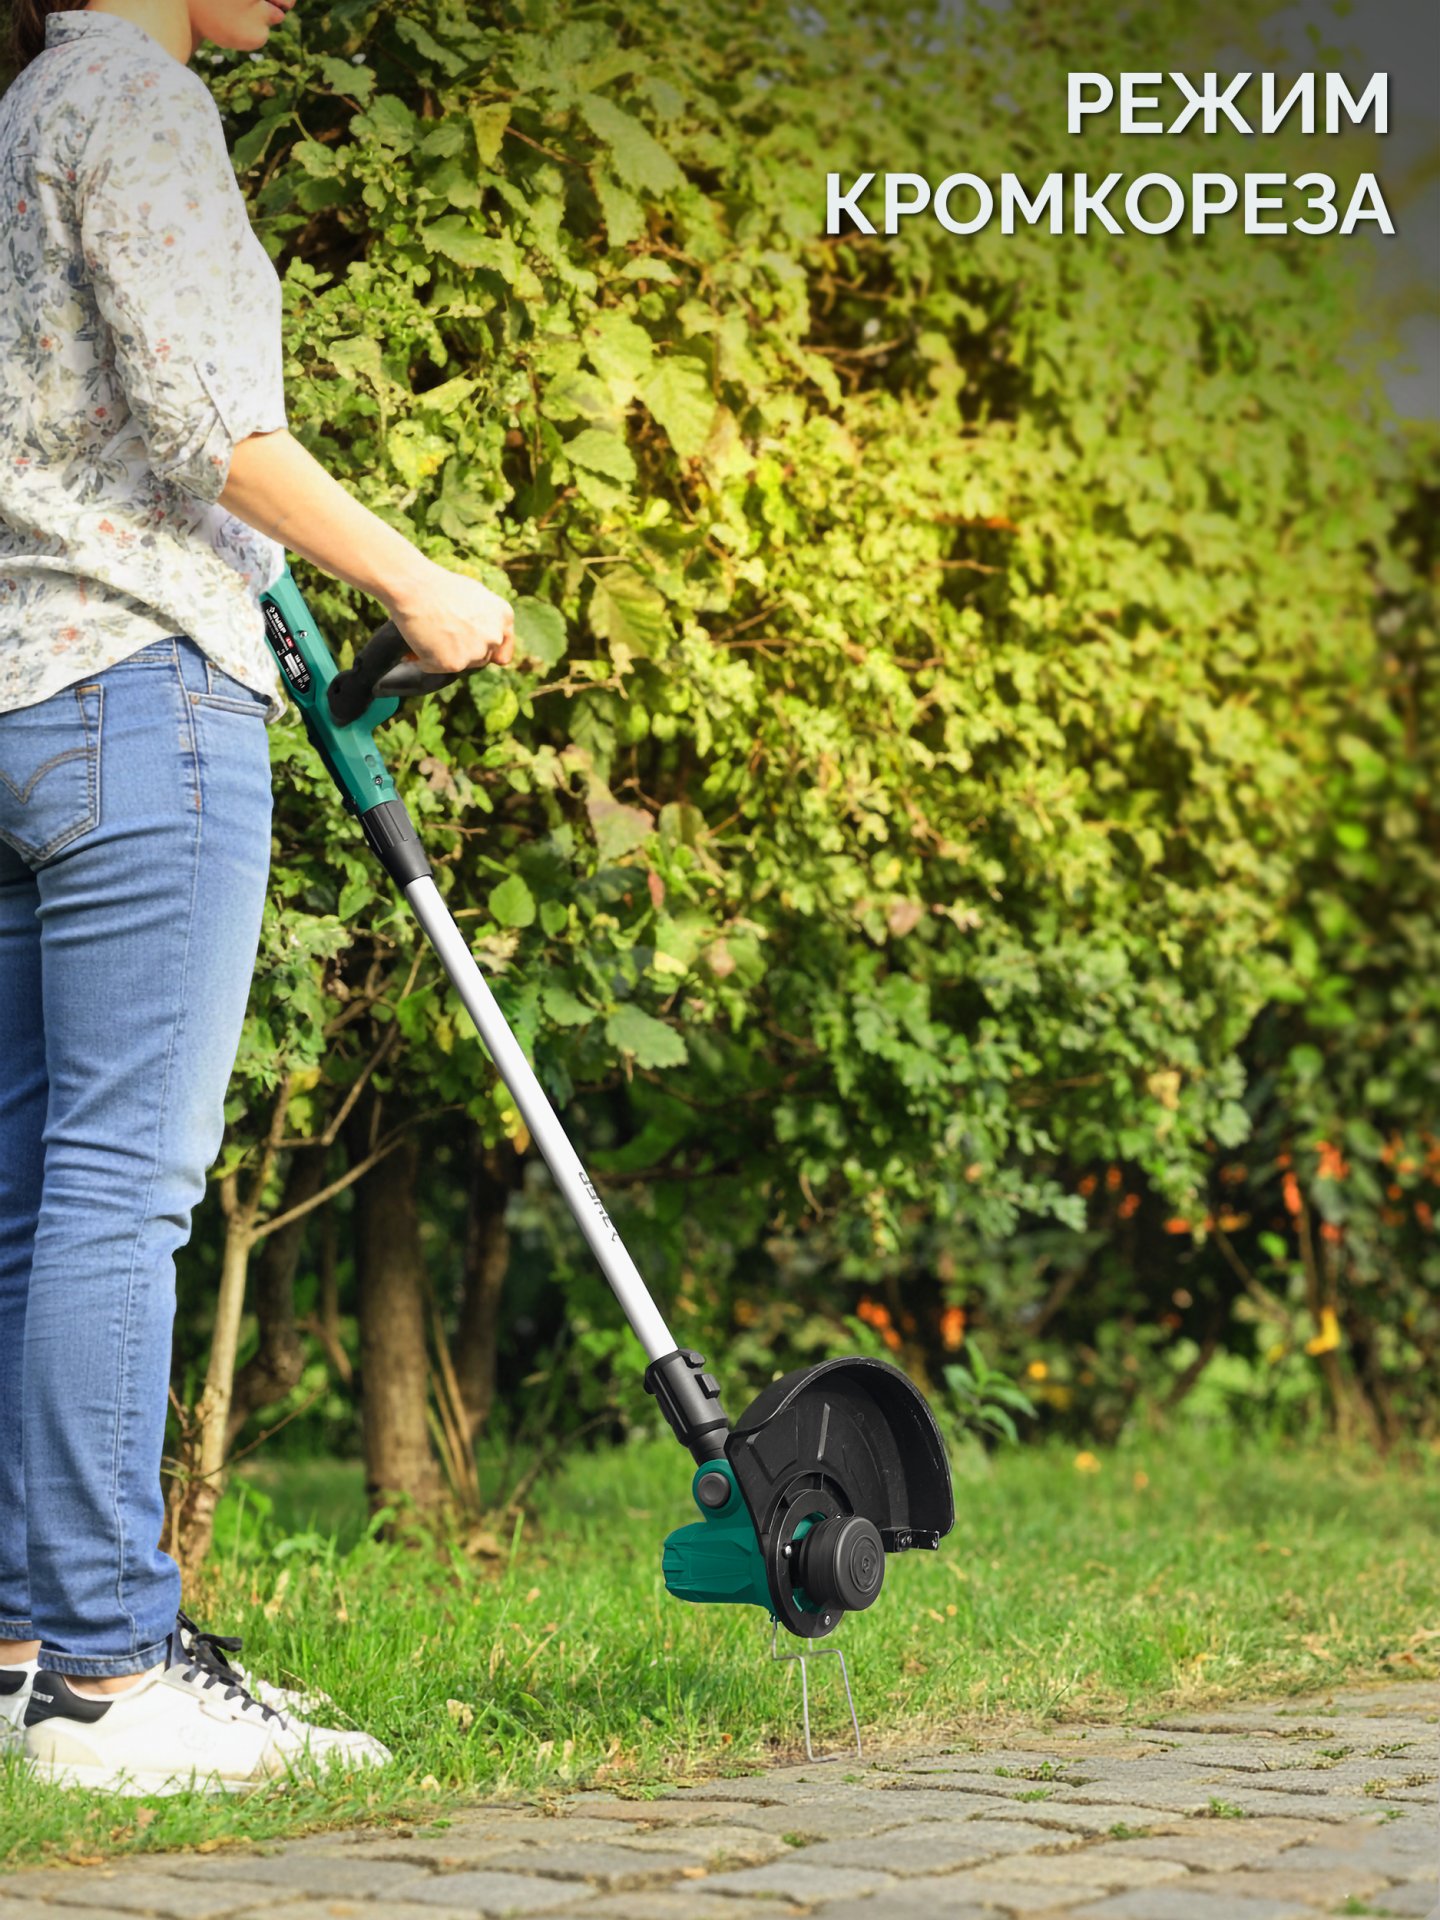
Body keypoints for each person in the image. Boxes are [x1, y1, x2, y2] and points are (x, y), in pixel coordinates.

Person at [0, 0, 515, 1794]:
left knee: (31, 1198)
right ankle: (109, 1682)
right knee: (118, 1195)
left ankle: (21, 1643)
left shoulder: (26, 111)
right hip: (142, 700)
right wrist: (415, 579)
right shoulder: (140, 98)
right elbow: (210, 423)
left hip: (16, 703)